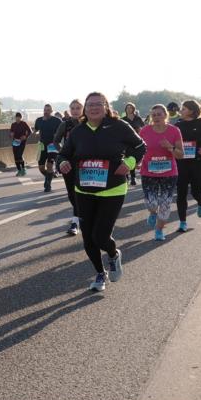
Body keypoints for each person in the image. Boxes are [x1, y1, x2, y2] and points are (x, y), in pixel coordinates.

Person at [57, 92, 145, 292]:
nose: (94, 108)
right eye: (90, 105)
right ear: (85, 108)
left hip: (112, 190)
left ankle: (113, 255)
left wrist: (129, 162)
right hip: (84, 190)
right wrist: (62, 162)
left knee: (100, 236)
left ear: (106, 107)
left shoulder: (119, 126)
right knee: (88, 238)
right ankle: (99, 273)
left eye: (98, 104)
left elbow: (140, 146)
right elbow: (64, 154)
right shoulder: (78, 131)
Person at [138, 105, 184, 241]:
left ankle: (159, 230)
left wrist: (170, 147)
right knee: (151, 203)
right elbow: (138, 149)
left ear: (165, 115)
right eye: (154, 115)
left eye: (159, 114)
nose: (156, 117)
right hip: (148, 172)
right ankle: (153, 213)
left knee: (165, 204)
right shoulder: (145, 131)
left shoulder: (174, 130)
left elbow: (181, 154)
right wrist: (137, 161)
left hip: (169, 173)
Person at [175, 100, 201, 232]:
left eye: (184, 108)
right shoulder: (177, 125)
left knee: (196, 192)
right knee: (181, 193)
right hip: (181, 163)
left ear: (192, 111)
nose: (180, 111)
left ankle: (200, 201)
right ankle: (182, 222)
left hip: (199, 163)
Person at [53, 99, 84, 235]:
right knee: (72, 193)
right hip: (68, 163)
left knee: (82, 193)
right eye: (73, 108)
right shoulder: (64, 124)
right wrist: (63, 153)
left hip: (85, 163)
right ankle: (79, 217)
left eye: (78, 108)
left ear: (83, 109)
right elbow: (56, 141)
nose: (75, 111)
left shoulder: (88, 123)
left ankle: (75, 222)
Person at [33, 104, 62, 193]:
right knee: (41, 168)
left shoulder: (57, 121)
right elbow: (36, 130)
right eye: (45, 110)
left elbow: (62, 131)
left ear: (51, 111)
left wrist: (58, 137)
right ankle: (49, 175)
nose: (46, 112)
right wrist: (35, 133)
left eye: (48, 110)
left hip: (52, 145)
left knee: (49, 165)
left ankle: (48, 184)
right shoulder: (39, 120)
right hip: (42, 145)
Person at [121, 103, 146, 184]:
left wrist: (141, 132)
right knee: (126, 157)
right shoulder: (123, 119)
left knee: (134, 158)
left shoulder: (137, 118)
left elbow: (144, 128)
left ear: (133, 109)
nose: (129, 109)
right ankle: (126, 177)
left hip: (137, 141)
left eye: (130, 108)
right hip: (126, 141)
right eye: (127, 108)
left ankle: (133, 177)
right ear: (125, 109)